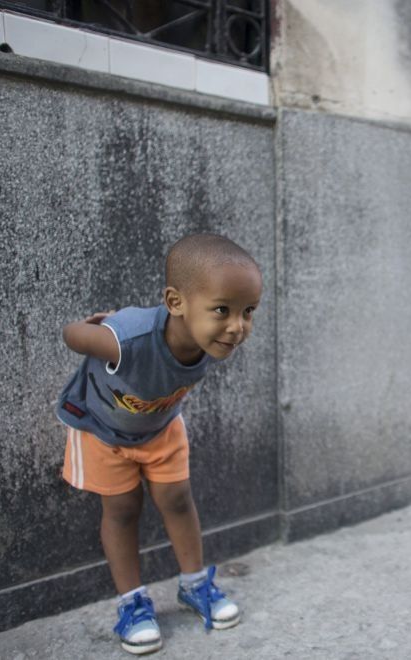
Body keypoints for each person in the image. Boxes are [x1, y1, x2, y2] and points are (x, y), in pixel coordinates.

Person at [56, 233, 262, 654]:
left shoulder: (211, 339)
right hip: (102, 432)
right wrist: (98, 327)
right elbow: (70, 335)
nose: (237, 326)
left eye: (248, 311)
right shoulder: (125, 342)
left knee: (179, 500)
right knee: (122, 510)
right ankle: (133, 603)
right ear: (175, 302)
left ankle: (194, 585)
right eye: (223, 310)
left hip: (161, 428)